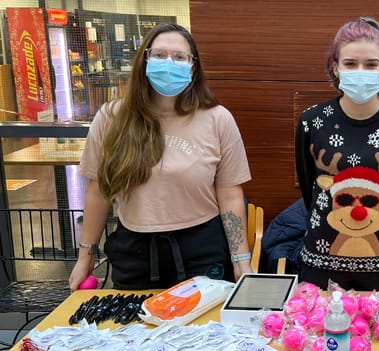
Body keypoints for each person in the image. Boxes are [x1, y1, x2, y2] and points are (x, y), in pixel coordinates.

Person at [69, 23, 253, 291]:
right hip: (135, 253)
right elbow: (99, 191)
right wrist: (85, 256)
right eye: (159, 55)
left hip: (202, 249)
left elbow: (230, 194)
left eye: (180, 57)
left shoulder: (217, 119)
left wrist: (241, 260)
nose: (169, 63)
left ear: (193, 67)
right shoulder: (111, 118)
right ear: (144, 60)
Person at [295, 17, 379, 292]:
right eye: (350, 64)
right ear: (335, 67)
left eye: (371, 64)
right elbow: (310, 188)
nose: (360, 71)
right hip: (321, 261)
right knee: (320, 333)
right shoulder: (312, 121)